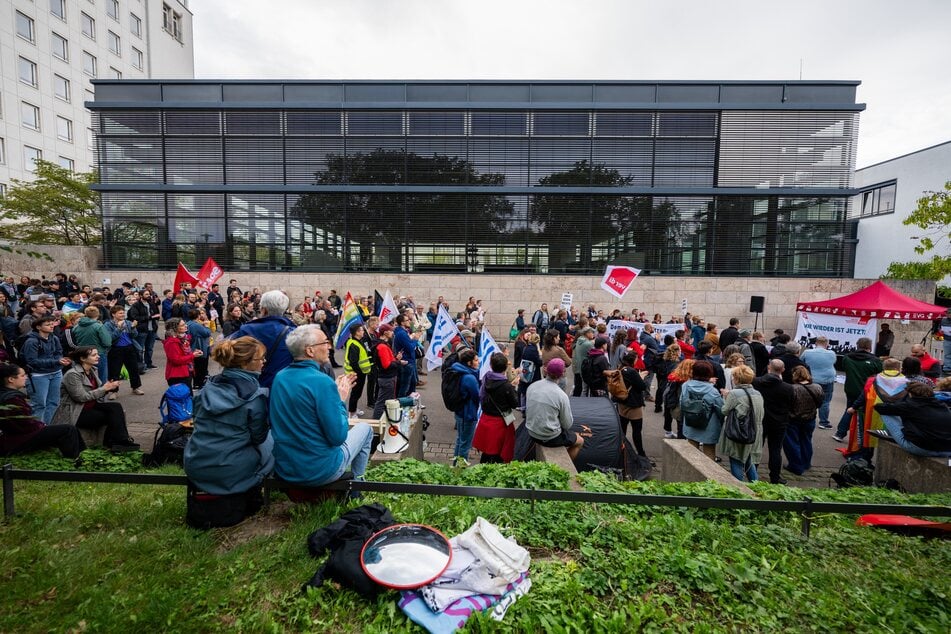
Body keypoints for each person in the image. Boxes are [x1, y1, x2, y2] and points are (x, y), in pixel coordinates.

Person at [183, 337, 273, 526]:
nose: (264, 362)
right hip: (230, 471)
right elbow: (259, 437)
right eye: (261, 358)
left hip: (196, 463)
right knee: (273, 443)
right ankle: (257, 484)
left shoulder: (207, 388)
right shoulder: (254, 396)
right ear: (246, 363)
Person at [270, 324, 372, 486]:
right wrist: (339, 399)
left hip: (286, 467)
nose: (329, 347)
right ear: (310, 350)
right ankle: (357, 489)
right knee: (366, 429)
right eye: (325, 342)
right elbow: (338, 437)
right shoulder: (322, 381)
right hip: (321, 470)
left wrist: (332, 392)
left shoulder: (280, 377)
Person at [51, 347, 138, 451]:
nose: (98, 356)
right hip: (76, 411)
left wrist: (108, 387)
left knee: (116, 407)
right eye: (94, 355)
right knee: (112, 416)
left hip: (90, 406)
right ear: (83, 358)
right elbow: (81, 397)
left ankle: (120, 441)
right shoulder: (72, 374)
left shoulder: (92, 370)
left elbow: (97, 392)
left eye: (97, 354)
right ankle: (117, 442)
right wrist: (104, 389)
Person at [0, 363, 84, 458]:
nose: (26, 378)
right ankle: (74, 461)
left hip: (16, 436)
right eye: (22, 375)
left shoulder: (7, 394)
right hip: (17, 439)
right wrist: (42, 426)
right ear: (11, 379)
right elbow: (24, 425)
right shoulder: (11, 399)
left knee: (67, 429)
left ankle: (80, 456)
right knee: (68, 429)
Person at [230, 290, 296, 389]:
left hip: (251, 388)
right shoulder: (295, 333)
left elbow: (223, 349)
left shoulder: (247, 329)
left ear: (264, 310)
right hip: (282, 388)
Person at [844, 357, 907, 456]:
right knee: (892, 437)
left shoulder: (873, 379)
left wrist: (853, 407)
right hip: (896, 414)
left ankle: (866, 459)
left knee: (870, 436)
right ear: (898, 369)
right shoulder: (906, 381)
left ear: (884, 367)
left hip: (874, 411)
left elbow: (863, 396)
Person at [870, 381, 951, 457]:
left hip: (921, 449)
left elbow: (878, 407)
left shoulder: (910, 405)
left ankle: (891, 433)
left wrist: (900, 401)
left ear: (910, 394)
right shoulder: (942, 406)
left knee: (885, 412)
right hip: (946, 451)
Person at [526, 358, 583, 460]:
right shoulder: (561, 395)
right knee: (580, 441)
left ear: (546, 370)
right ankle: (564, 470)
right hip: (549, 437)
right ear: (562, 375)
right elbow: (567, 424)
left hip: (531, 431)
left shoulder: (532, 386)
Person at [21, 315, 72, 424]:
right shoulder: (32, 341)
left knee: (54, 402)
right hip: (38, 375)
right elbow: (32, 361)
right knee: (39, 404)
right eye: (47, 325)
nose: (51, 326)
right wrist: (56, 361)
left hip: (56, 373)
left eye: (52, 324)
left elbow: (59, 352)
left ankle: (46, 427)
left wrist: (61, 360)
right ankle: (36, 430)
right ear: (38, 327)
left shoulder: (54, 338)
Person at [717, 365, 764, 482]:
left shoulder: (734, 393)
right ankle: (755, 485)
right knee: (749, 459)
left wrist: (726, 397)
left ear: (737, 378)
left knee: (736, 459)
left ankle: (739, 488)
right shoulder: (757, 393)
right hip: (755, 431)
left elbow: (724, 410)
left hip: (739, 431)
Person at [832, 338, 883, 443]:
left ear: (857, 345)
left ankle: (840, 433)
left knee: (850, 409)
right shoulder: (875, 360)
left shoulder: (847, 357)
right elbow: (879, 372)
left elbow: (844, 368)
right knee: (863, 412)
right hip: (867, 390)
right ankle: (860, 438)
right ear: (869, 346)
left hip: (850, 388)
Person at [753, 359, 795, 485]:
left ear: (768, 367)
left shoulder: (756, 382)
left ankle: (752, 473)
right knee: (775, 450)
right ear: (782, 370)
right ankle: (775, 477)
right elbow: (791, 405)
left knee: (756, 448)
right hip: (779, 422)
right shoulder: (788, 388)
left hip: (760, 419)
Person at [473, 352, 520, 464]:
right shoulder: (506, 385)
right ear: (505, 367)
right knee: (498, 453)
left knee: (487, 451)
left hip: (486, 418)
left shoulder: (486, 378)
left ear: (491, 366)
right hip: (500, 422)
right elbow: (514, 403)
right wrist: (514, 387)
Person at [680, 360, 724, 460]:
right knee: (709, 453)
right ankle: (709, 475)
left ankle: (691, 473)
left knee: (691, 450)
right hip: (709, 425)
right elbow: (721, 410)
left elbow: (681, 403)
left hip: (690, 422)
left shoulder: (686, 386)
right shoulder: (713, 391)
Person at [784, 366, 823, 476]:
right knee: (806, 441)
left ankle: (796, 465)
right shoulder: (817, 387)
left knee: (792, 443)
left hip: (793, 419)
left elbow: (788, 405)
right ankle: (806, 463)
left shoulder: (792, 389)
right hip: (810, 419)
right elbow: (820, 403)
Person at [448, 348, 481, 467]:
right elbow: (477, 396)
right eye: (476, 360)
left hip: (460, 411)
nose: (478, 362)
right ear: (469, 363)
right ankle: (460, 469)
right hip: (468, 413)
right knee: (465, 444)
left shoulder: (459, 370)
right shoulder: (469, 377)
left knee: (460, 440)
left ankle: (456, 465)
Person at [104, 305, 144, 397]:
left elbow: (134, 336)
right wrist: (119, 328)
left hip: (129, 348)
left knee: (133, 369)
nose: (123, 314)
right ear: (113, 314)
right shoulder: (108, 325)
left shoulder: (128, 322)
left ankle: (135, 387)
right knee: (114, 371)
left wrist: (133, 328)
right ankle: (114, 391)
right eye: (120, 313)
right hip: (115, 349)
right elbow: (110, 338)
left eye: (123, 313)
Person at [616, 350, 648, 456]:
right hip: (633, 404)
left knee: (623, 428)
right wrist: (641, 377)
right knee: (636, 430)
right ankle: (641, 454)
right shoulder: (632, 371)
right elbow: (642, 386)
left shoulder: (621, 368)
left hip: (622, 402)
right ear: (633, 360)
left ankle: (621, 450)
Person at [801, 336, 837, 430]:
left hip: (812, 378)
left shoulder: (807, 352)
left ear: (816, 343)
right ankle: (824, 422)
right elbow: (833, 362)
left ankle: (805, 418)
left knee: (808, 399)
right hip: (827, 379)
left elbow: (801, 363)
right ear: (827, 344)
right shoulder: (832, 353)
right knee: (825, 401)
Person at [371, 324, 403, 419]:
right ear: (385, 332)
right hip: (387, 378)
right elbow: (386, 365)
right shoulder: (382, 346)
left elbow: (388, 361)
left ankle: (381, 421)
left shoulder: (383, 345)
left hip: (387, 377)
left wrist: (396, 359)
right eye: (391, 331)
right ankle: (376, 423)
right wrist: (399, 362)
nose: (393, 333)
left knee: (384, 401)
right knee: (382, 402)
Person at [163, 317, 202, 390]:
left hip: (185, 372)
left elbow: (184, 354)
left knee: (188, 397)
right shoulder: (172, 342)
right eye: (182, 325)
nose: (186, 326)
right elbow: (176, 360)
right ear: (175, 328)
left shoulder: (183, 339)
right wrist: (193, 355)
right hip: (178, 375)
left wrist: (193, 353)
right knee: (184, 398)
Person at [344, 323, 371, 417]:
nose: (363, 331)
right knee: (355, 393)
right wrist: (359, 373)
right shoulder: (353, 344)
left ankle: (354, 408)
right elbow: (353, 362)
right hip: (356, 373)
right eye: (361, 330)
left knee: (358, 392)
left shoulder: (359, 340)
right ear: (357, 332)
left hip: (360, 372)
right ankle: (352, 412)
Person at [185, 308, 212, 388]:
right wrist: (207, 326)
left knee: (197, 367)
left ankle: (197, 382)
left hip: (193, 347)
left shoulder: (189, 323)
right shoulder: (196, 325)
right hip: (199, 347)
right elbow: (206, 333)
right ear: (198, 316)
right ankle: (199, 383)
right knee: (200, 367)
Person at [518, 332, 542, 409]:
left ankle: (523, 407)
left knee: (524, 392)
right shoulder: (534, 350)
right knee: (531, 391)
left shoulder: (526, 347)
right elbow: (538, 362)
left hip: (524, 371)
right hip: (532, 374)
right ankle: (528, 409)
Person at [572, 327, 596, 396]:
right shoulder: (588, 344)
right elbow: (595, 353)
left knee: (582, 388)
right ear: (587, 333)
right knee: (585, 389)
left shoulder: (579, 341)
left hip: (579, 367)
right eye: (592, 333)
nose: (593, 334)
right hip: (586, 369)